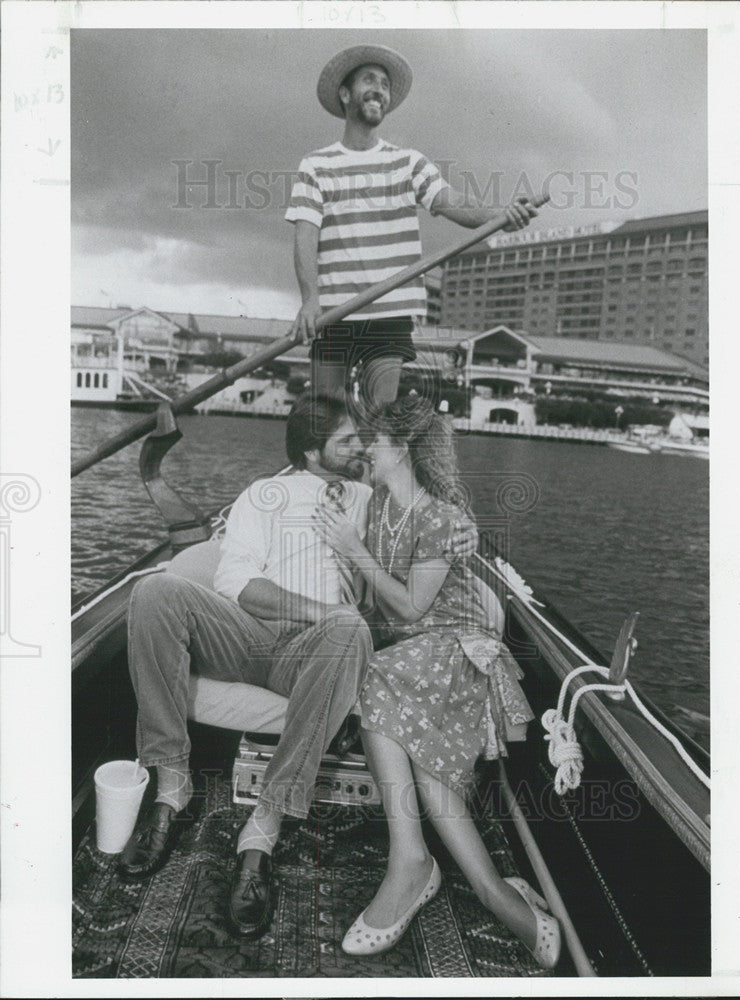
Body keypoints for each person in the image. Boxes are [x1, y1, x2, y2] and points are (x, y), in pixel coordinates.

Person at [118, 393, 476, 942]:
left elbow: (426, 506)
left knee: (349, 628)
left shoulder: (369, 496)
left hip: (318, 652)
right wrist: (318, 607)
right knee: (154, 591)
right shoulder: (264, 494)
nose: (361, 448)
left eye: (363, 440)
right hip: (247, 634)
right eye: (346, 441)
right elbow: (235, 583)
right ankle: (171, 784)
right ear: (312, 452)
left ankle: (264, 825)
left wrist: (464, 533)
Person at [313, 394, 561, 969]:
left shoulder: (443, 520)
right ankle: (491, 892)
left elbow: (415, 610)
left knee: (378, 678)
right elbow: (384, 609)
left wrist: (352, 551)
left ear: (403, 447)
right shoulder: (379, 508)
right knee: (415, 746)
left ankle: (411, 864)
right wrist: (350, 570)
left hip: (456, 652)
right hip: (414, 660)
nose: (363, 453)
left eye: (371, 442)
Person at [285, 43, 540, 411]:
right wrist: (310, 301)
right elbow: (305, 237)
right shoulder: (315, 166)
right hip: (333, 313)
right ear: (345, 94)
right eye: (369, 80)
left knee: (379, 417)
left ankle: (372, 466)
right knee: (326, 421)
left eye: (385, 85)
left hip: (390, 311)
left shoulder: (408, 162)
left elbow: (452, 201)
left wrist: (500, 216)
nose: (379, 90)